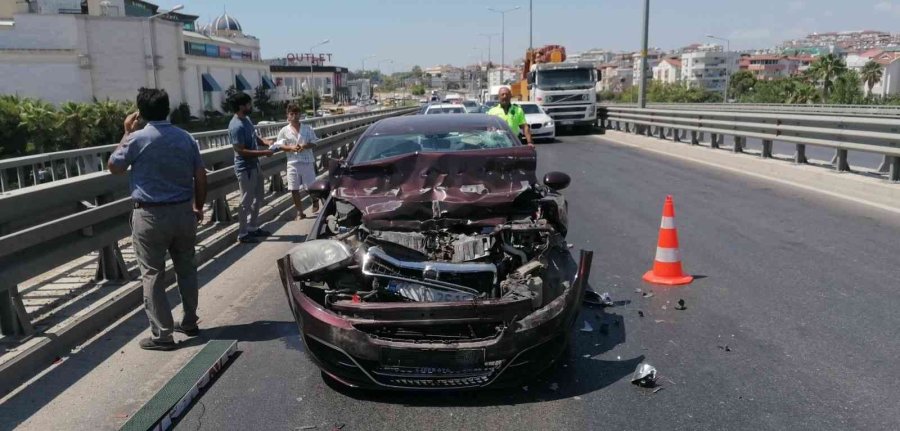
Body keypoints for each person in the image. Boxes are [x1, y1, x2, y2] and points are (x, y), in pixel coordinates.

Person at [108, 88, 207, 351]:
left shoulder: (137, 139)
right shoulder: (186, 138)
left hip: (150, 215)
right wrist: (198, 206)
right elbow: (201, 175)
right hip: (183, 212)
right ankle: (189, 321)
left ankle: (162, 334)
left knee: (152, 274)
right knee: (187, 269)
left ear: (140, 113)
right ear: (168, 109)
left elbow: (115, 166)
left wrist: (126, 132)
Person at [228, 92, 279, 243]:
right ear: (241, 106)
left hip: (255, 165)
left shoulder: (247, 120)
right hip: (245, 169)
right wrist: (264, 152)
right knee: (246, 201)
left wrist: (266, 142)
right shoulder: (236, 126)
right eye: (249, 104)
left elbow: (254, 136)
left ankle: (252, 227)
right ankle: (243, 234)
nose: (251, 106)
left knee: (258, 197)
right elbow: (240, 150)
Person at [275, 104, 320, 219]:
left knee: (310, 187)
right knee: (294, 188)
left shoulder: (308, 128)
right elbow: (279, 145)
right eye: (292, 114)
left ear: (300, 114)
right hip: (292, 162)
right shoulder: (284, 131)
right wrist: (290, 148)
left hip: (307, 161)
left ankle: (315, 200)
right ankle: (300, 212)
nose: (295, 116)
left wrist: (304, 146)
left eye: (297, 113)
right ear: (288, 116)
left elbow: (315, 142)